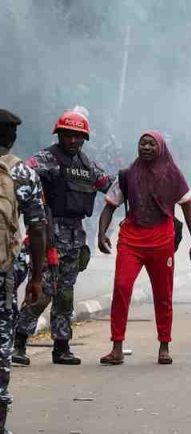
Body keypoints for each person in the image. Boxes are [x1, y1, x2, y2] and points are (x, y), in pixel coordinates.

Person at [13, 110, 111, 366]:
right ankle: (19, 341)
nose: (73, 140)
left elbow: (107, 184)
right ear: (59, 134)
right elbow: (20, 176)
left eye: (79, 136)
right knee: (43, 291)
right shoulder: (45, 159)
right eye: (68, 135)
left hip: (75, 236)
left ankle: (61, 346)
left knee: (65, 294)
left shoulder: (86, 163)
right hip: (48, 234)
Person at [97, 131, 191, 365]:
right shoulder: (127, 175)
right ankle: (116, 347)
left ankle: (164, 345)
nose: (145, 148)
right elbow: (110, 206)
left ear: (161, 148)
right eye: (142, 144)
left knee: (163, 294)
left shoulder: (173, 174)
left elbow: (188, 210)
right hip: (131, 240)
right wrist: (101, 233)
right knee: (122, 288)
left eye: (151, 144)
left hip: (162, 241)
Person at [0, 109, 46, 433]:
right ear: (12, 138)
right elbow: (38, 227)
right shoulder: (23, 174)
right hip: (4, 275)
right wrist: (38, 278)